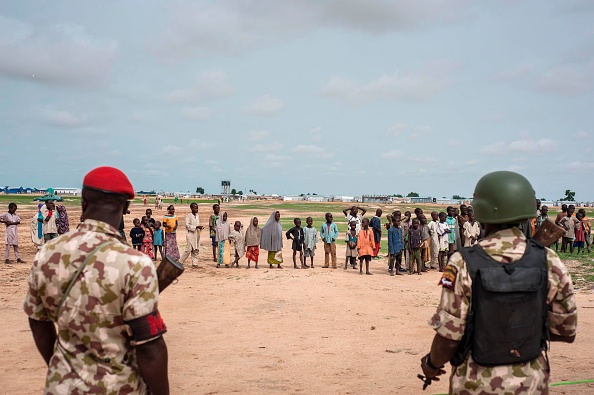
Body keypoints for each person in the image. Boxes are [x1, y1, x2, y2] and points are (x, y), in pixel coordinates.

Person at [420, 171, 576, 395]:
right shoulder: (548, 259)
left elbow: (449, 337)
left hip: (476, 384)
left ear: (480, 209)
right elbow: (567, 330)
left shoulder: (463, 262)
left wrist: (431, 365)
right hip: (531, 384)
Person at [23, 166, 169, 394]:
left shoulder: (47, 253)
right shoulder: (135, 264)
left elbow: (37, 320)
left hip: (60, 386)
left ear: (83, 203)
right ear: (126, 207)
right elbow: (150, 348)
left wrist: (63, 365)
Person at [180, 203, 202, 268]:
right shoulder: (189, 216)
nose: (196, 209)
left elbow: (198, 223)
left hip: (196, 234)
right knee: (188, 249)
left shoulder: (197, 215)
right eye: (195, 208)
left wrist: (199, 228)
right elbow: (187, 225)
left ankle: (195, 263)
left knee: (196, 249)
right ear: (191, 208)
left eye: (197, 208)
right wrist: (195, 227)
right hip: (190, 234)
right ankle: (180, 261)